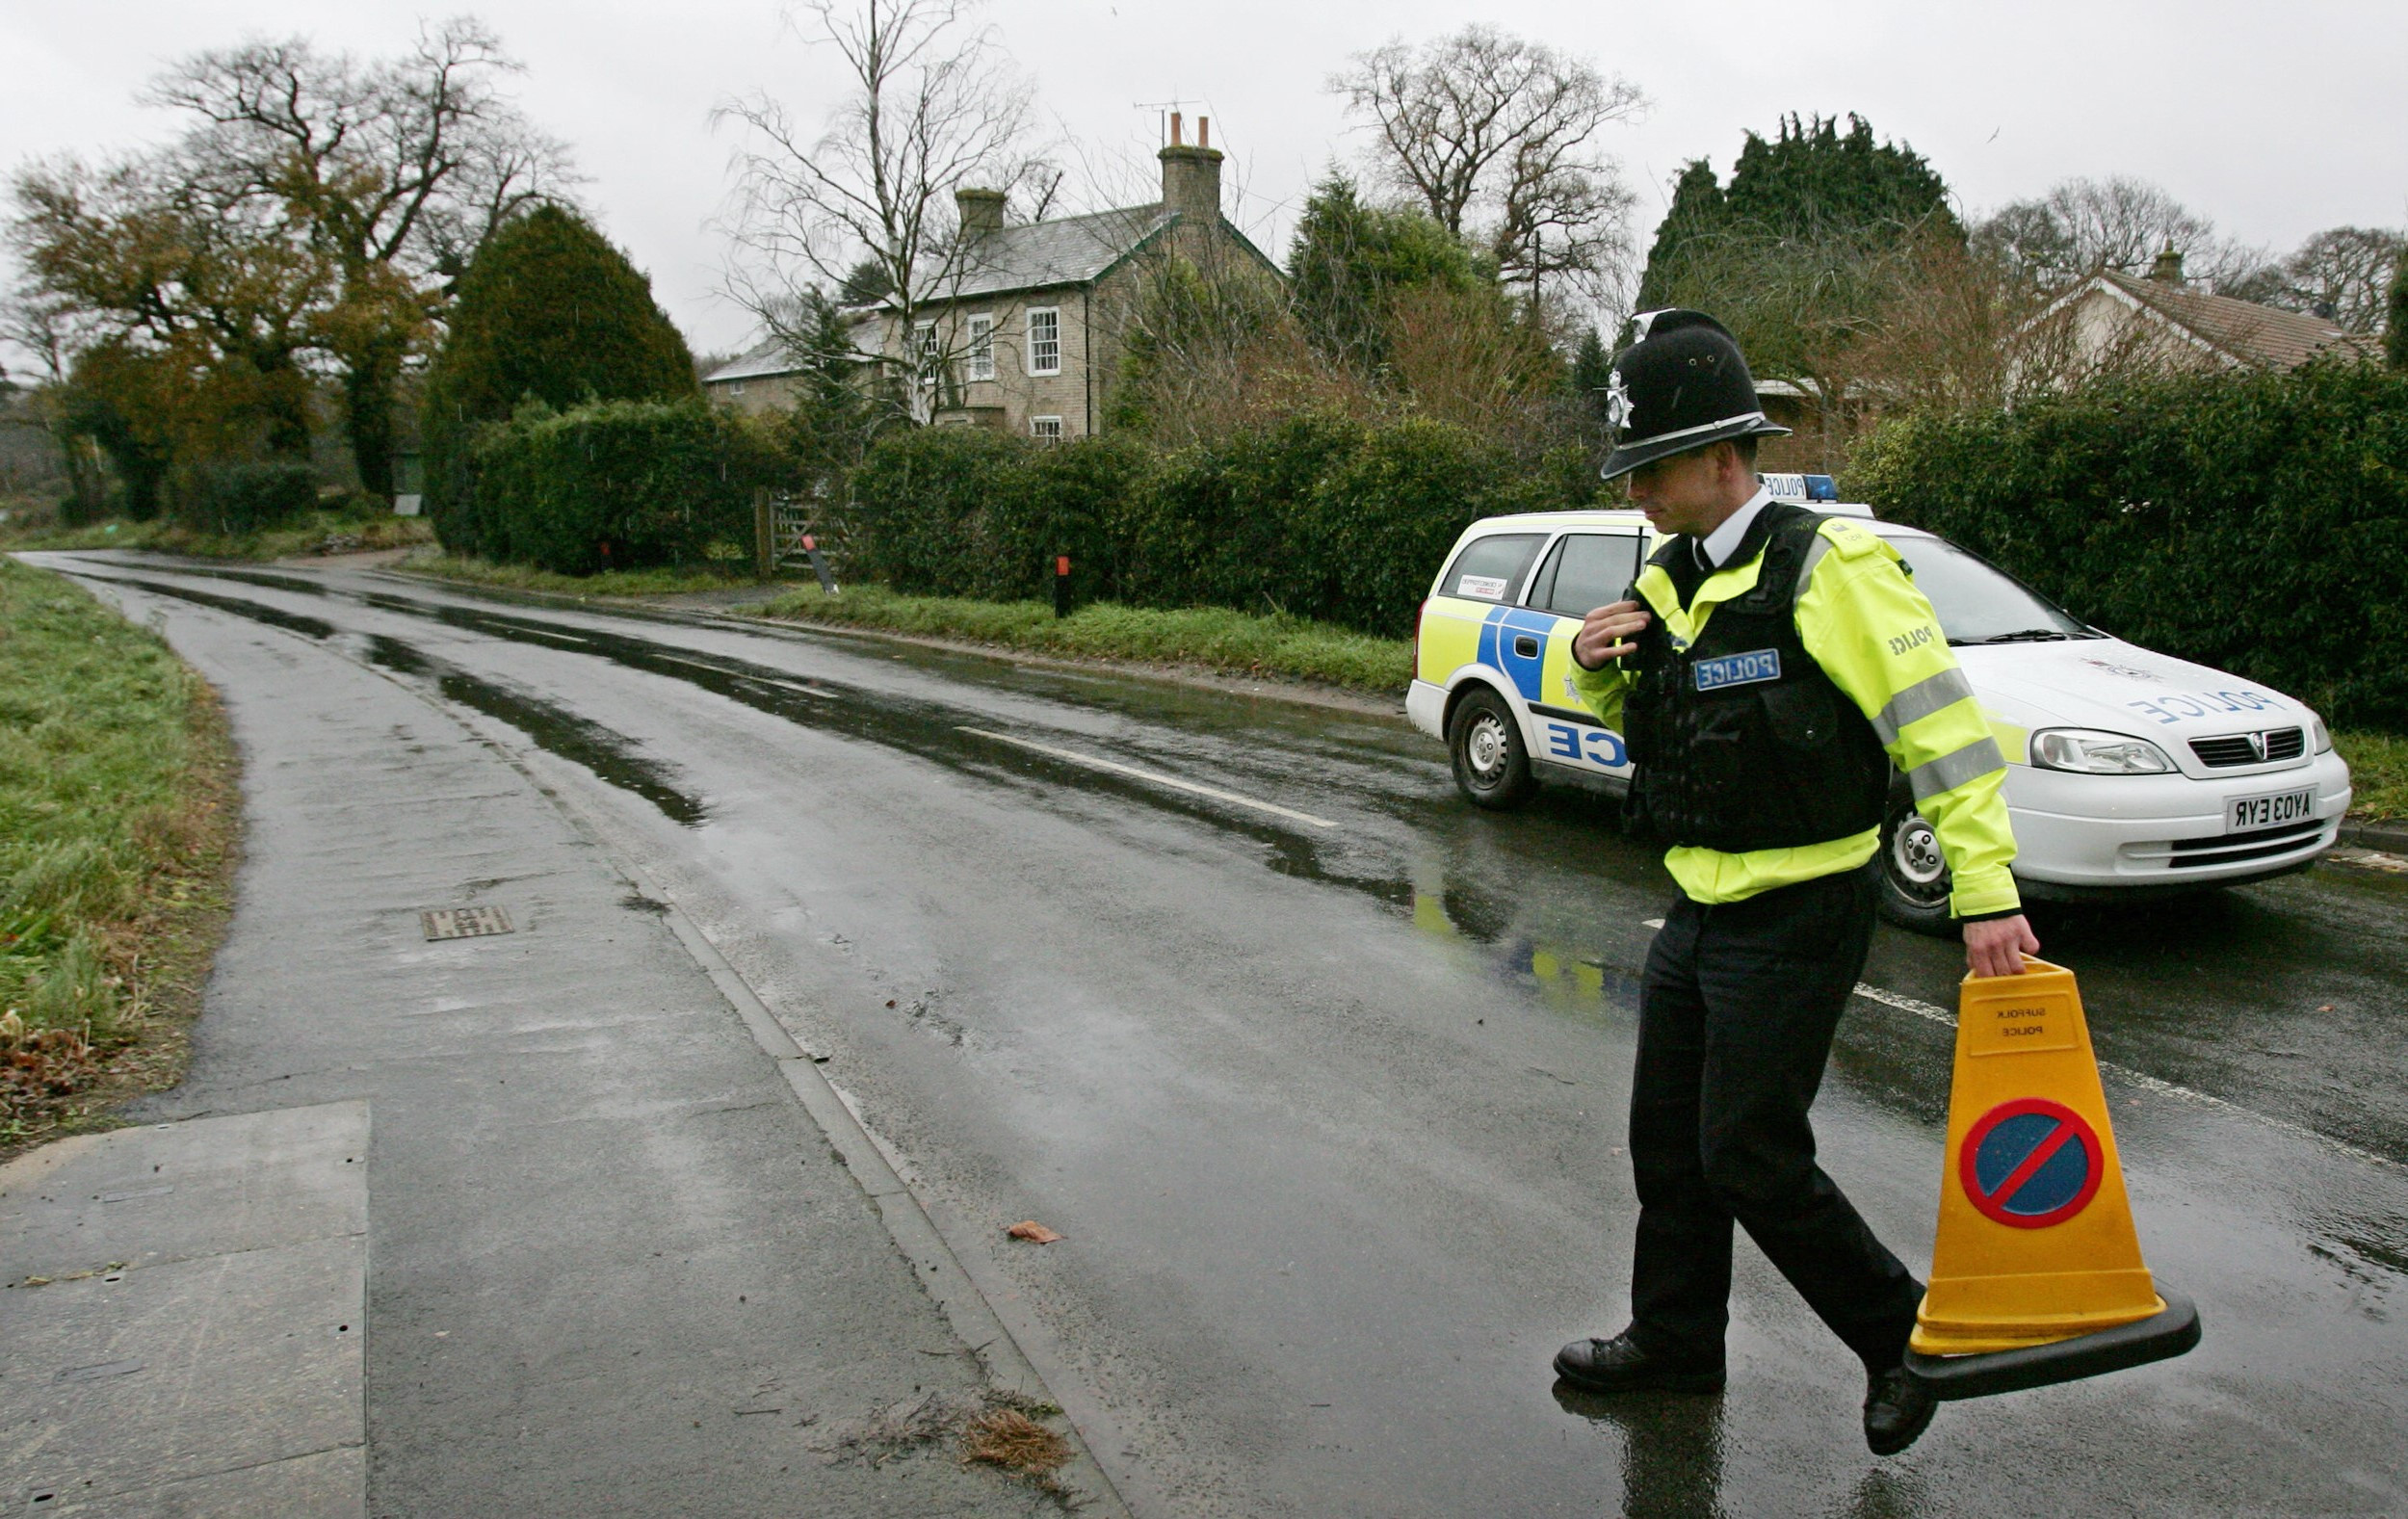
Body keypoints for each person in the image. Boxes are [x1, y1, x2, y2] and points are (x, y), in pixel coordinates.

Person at [1553, 310, 2039, 1457]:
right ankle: (1675, 1338)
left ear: (1723, 457)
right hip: (1697, 902)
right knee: (1666, 1142)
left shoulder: (1833, 567)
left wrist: (1985, 893)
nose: (1637, 497)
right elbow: (1659, 729)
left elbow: (1941, 736)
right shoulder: (1668, 579)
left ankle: (1906, 1338)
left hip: (1802, 907)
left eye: (1651, 472)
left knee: (1748, 1151)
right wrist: (1591, 665)